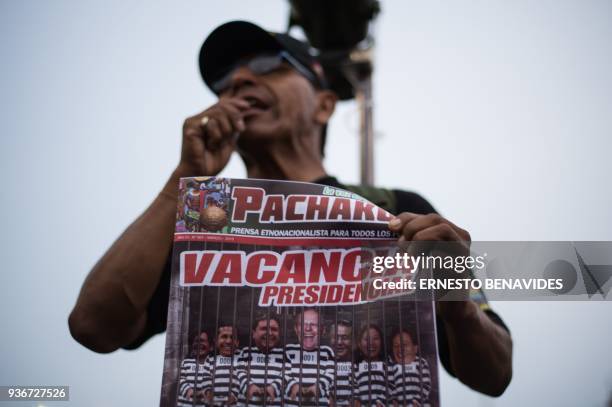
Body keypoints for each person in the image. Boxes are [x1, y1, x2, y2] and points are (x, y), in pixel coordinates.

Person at [68, 20, 513, 397]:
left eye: (268, 66)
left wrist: (456, 304)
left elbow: (495, 375)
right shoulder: (202, 223)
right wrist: (184, 180)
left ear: (322, 105)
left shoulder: (397, 210)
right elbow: (94, 326)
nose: (238, 81)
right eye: (225, 81)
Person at [284, 308, 335, 406]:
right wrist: (293, 385)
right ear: (296, 329)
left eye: (314, 324)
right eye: (303, 324)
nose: (308, 328)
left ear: (323, 330)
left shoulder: (327, 352)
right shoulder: (288, 350)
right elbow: (283, 373)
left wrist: (318, 387)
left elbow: (330, 375)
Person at [236, 313, 285, 406]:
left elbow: (287, 374)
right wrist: (250, 386)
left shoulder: (283, 355)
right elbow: (239, 372)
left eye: (274, 329)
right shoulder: (245, 352)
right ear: (254, 333)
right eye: (264, 329)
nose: (270, 333)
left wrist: (273, 387)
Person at [200, 323, 241, 406]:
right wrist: (208, 393)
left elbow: (243, 381)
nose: (228, 341)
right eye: (224, 337)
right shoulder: (210, 359)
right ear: (216, 340)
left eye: (232, 337)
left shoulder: (241, 359)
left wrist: (234, 396)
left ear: (237, 342)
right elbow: (206, 380)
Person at [389, 329, 431, 407]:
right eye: (396, 346)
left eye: (404, 344)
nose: (400, 349)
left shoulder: (421, 363)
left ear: (415, 349)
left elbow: (426, 385)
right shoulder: (392, 366)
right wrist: (394, 400)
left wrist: (417, 401)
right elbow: (391, 386)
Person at [355, 324, 391, 406]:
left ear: (381, 343)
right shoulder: (355, 368)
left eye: (376, 338)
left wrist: (380, 402)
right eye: (366, 339)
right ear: (359, 344)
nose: (371, 343)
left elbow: (392, 387)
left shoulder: (388, 366)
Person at [177, 331, 211, 405]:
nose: (199, 344)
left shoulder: (214, 365)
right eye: (196, 341)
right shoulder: (186, 363)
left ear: (211, 347)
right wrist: (194, 393)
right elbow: (180, 381)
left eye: (202, 341)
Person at [328, 319, 356, 405]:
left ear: (353, 340)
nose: (339, 342)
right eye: (335, 337)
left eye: (345, 338)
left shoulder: (359, 363)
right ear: (329, 339)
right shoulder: (322, 364)